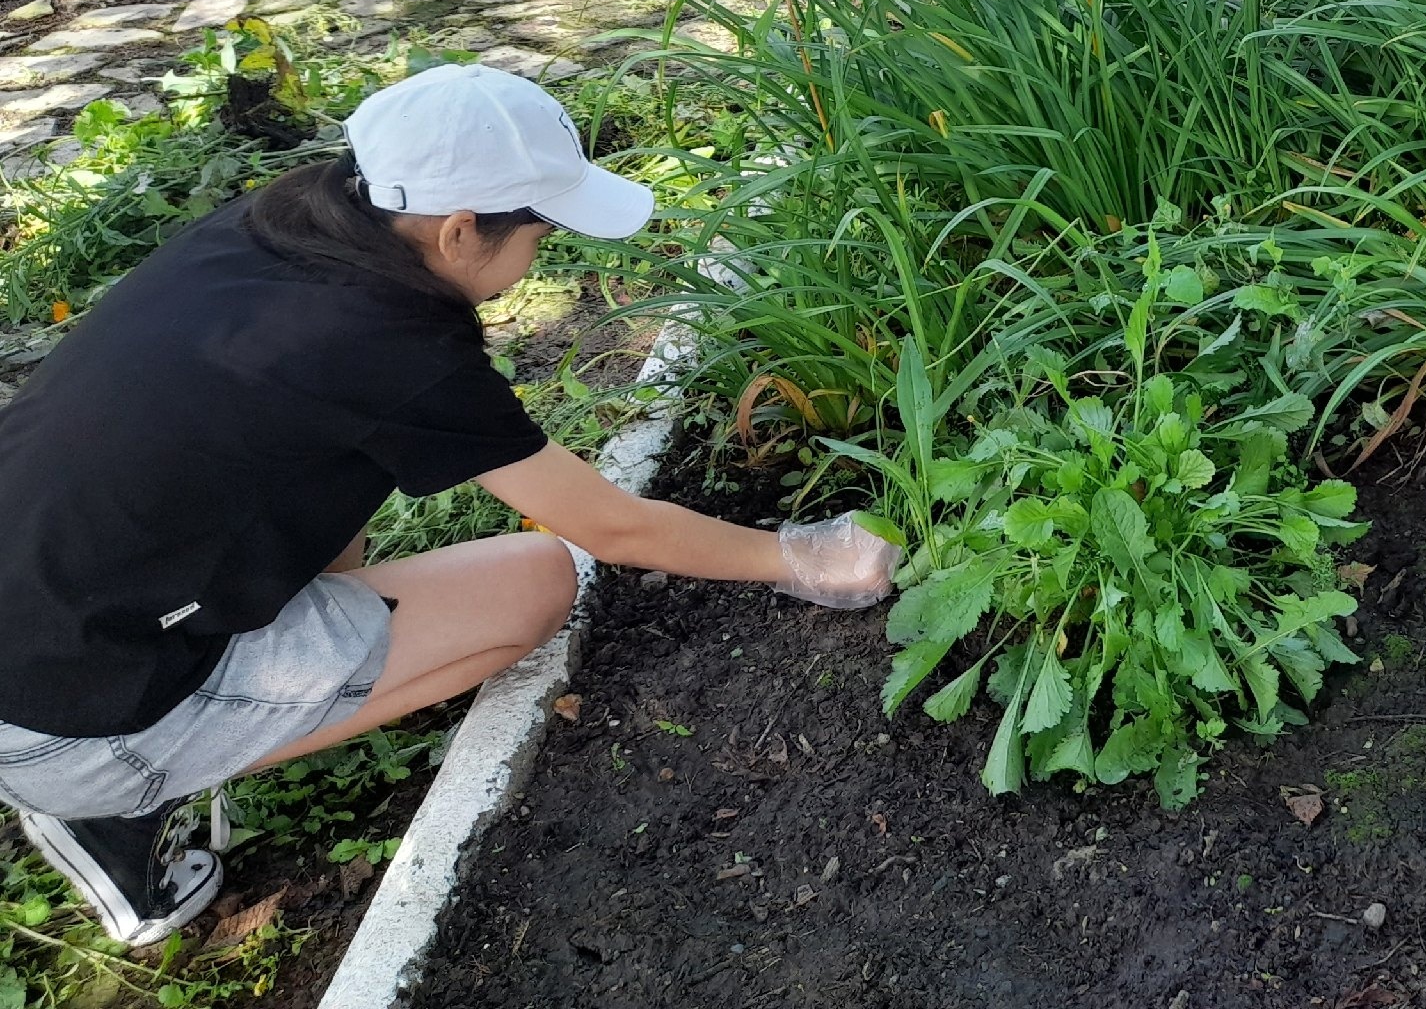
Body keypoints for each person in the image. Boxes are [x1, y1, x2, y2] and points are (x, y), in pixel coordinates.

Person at [0, 64, 899, 948]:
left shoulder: (283, 226)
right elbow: (610, 527)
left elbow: (314, 462)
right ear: (462, 230)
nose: (542, 250)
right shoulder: (390, 341)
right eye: (541, 232)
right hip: (65, 716)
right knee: (533, 585)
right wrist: (802, 559)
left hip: (38, 595)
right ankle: (119, 801)